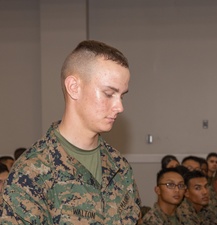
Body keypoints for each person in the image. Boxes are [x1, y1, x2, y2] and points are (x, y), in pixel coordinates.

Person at [0, 40, 141, 224]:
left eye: (122, 96)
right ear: (74, 87)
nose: (120, 107)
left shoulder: (119, 166)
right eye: (108, 93)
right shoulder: (31, 173)